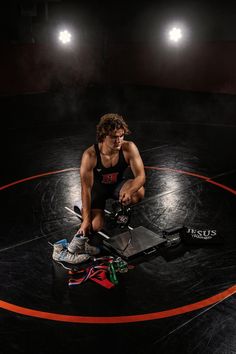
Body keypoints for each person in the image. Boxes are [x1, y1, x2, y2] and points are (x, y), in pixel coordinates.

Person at [53, 113, 145, 264]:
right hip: (97, 191)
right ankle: (63, 250)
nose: (119, 140)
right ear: (103, 136)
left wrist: (129, 191)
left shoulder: (129, 148)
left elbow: (141, 176)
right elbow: (86, 189)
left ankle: (119, 203)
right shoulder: (90, 155)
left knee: (138, 192)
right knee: (94, 226)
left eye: (121, 136)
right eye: (114, 137)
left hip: (116, 186)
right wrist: (86, 220)